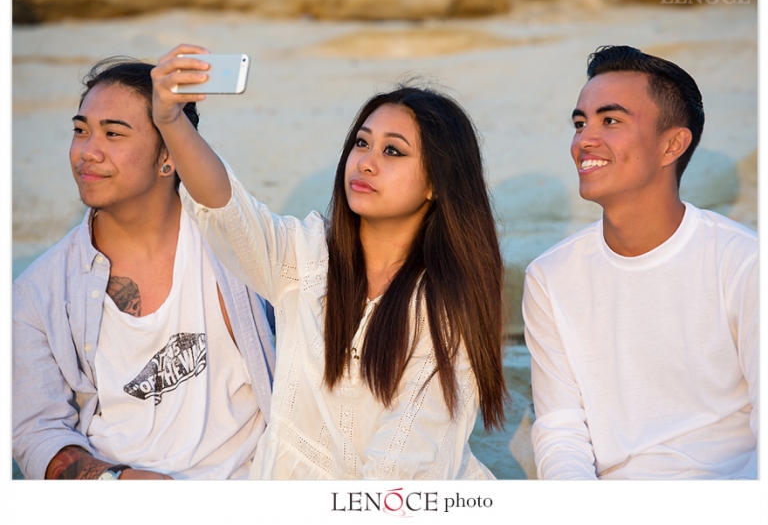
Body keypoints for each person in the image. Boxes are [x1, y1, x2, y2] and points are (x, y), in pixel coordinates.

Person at [149, 44, 508, 479]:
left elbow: (407, 457)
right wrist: (171, 120)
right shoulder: (307, 257)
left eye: (393, 151)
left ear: (437, 182)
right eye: (362, 143)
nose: (366, 162)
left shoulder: (447, 303)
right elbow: (229, 213)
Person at [12, 58, 276, 480]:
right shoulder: (36, 294)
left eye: (113, 133)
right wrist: (118, 482)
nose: (86, 152)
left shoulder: (234, 247)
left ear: (167, 156)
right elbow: (36, 430)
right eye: (81, 130)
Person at [523, 45, 758, 480]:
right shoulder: (550, 277)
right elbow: (560, 430)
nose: (583, 140)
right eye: (580, 123)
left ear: (673, 144)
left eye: (610, 120)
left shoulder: (744, 263)